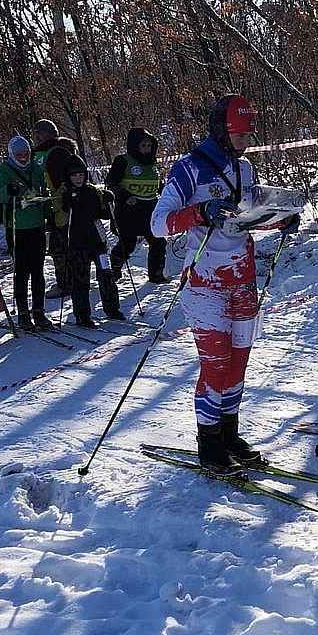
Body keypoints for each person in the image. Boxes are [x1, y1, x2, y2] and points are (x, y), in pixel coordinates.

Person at [149, 93, 269, 473]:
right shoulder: (189, 169)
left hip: (243, 280)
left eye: (248, 135)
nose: (245, 142)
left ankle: (229, 435)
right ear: (221, 129)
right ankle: (210, 445)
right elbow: (158, 224)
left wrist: (280, 218)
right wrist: (199, 212)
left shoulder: (244, 169)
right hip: (204, 284)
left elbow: (248, 216)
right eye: (239, 135)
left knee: (238, 365)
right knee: (216, 367)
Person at [0, 136, 54, 331]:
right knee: (21, 272)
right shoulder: (4, 169)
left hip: (36, 225)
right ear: (12, 154)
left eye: (26, 154)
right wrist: (8, 190)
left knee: (38, 271)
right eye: (18, 155)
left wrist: (48, 213)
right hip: (16, 227)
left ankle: (39, 311)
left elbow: (43, 191)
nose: (22, 158)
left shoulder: (36, 168)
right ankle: (23, 313)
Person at [59, 157, 125, 326]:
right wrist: (67, 202)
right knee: (81, 280)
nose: (78, 178)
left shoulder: (93, 191)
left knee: (106, 276)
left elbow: (104, 214)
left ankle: (112, 309)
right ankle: (82, 315)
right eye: (74, 175)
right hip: (77, 244)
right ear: (68, 177)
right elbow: (60, 218)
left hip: (97, 241)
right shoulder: (64, 193)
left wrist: (110, 201)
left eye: (81, 175)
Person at [105, 127, 168, 284]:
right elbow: (111, 183)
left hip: (150, 208)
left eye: (149, 146)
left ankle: (156, 275)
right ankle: (115, 266)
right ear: (135, 146)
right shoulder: (123, 161)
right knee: (128, 243)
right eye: (143, 145)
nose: (147, 149)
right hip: (129, 210)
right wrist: (125, 196)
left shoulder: (153, 164)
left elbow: (157, 184)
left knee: (158, 241)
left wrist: (169, 193)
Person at [31, 119, 77, 297]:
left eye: (38, 133)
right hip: (51, 207)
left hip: (61, 207)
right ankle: (72, 279)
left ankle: (66, 284)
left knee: (59, 247)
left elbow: (62, 182)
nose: (36, 137)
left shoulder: (56, 152)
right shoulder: (41, 153)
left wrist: (60, 202)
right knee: (62, 246)